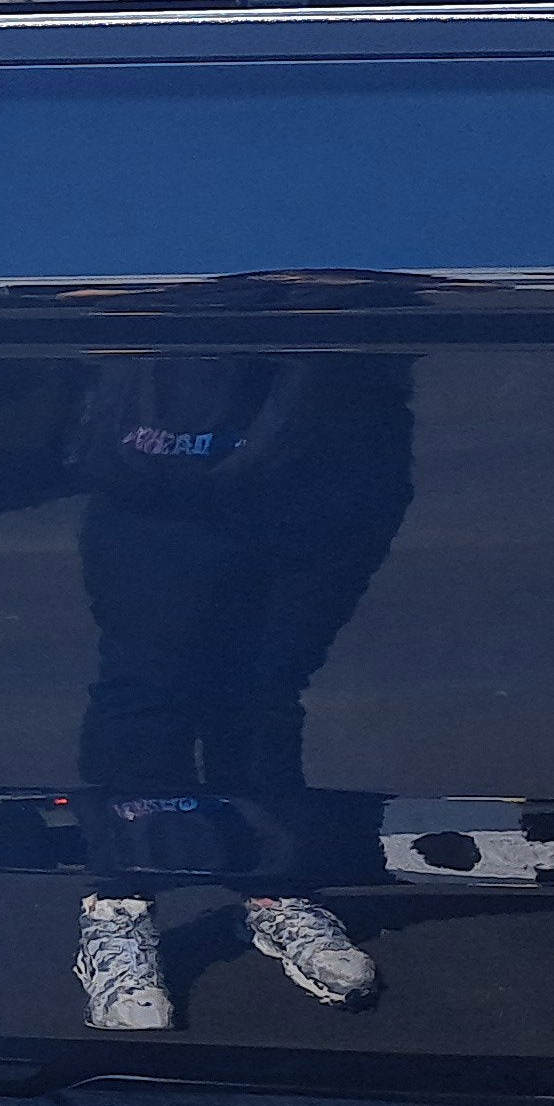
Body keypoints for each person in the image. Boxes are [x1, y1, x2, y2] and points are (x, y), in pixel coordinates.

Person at [63, 352, 414, 1031]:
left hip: (333, 438)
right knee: (147, 690)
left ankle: (270, 888)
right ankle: (121, 905)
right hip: (179, 428)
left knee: (265, 687)